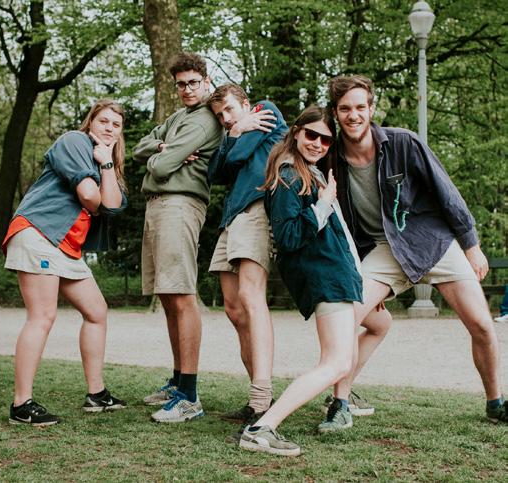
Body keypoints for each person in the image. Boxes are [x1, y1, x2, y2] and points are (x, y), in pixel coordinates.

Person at [326, 74, 507, 425]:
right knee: (347, 317)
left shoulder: (403, 143)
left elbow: (446, 192)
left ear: (371, 108)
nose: (354, 115)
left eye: (360, 107)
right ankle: (340, 404)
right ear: (336, 113)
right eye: (345, 109)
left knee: (483, 325)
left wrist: (471, 246)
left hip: (433, 242)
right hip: (384, 250)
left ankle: (495, 403)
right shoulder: (332, 159)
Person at [238, 106, 363, 457]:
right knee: (337, 362)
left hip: (339, 274)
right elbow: (289, 237)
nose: (318, 143)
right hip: (325, 275)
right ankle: (262, 427)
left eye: (326, 139)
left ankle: (266, 426)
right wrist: (322, 206)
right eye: (312, 135)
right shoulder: (289, 175)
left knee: (343, 355)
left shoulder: (312, 174)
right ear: (295, 132)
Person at [3, 99, 128, 426]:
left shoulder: (105, 161)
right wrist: (100, 178)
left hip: (66, 246)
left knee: (97, 312)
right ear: (91, 122)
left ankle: (96, 393)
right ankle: (21, 404)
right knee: (43, 315)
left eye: (115, 125)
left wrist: (106, 165)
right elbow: (90, 197)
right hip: (39, 232)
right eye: (103, 121)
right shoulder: (74, 141)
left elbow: (112, 206)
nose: (108, 128)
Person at [133, 52, 223, 423]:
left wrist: (163, 155)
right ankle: (176, 382)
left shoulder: (203, 119)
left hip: (180, 205)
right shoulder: (178, 118)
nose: (187, 89)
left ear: (206, 81)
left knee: (182, 295)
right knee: (168, 295)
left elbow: (163, 166)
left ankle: (190, 395)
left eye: (193, 83)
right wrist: (161, 148)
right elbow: (139, 149)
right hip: (158, 205)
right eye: (181, 84)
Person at [206, 83, 287, 425]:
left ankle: (262, 398)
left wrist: (236, 137)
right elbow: (215, 173)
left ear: (247, 103)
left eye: (229, 110)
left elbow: (235, 159)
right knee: (234, 309)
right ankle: (259, 395)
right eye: (220, 116)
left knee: (251, 299)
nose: (225, 119)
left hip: (256, 210)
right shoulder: (236, 130)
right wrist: (235, 133)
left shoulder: (266, 109)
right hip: (232, 218)